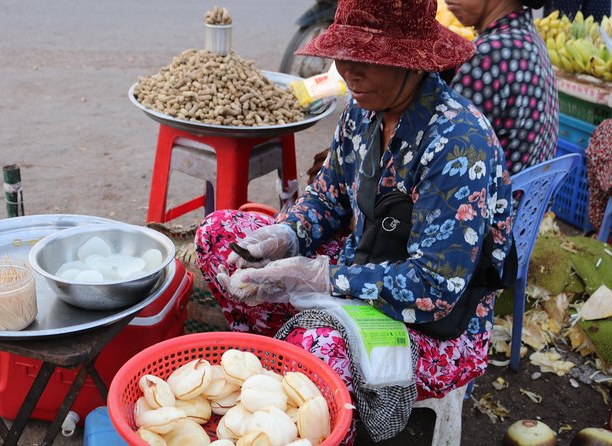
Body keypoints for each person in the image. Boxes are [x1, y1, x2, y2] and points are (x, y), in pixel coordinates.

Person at [195, 0, 515, 441]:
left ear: (412, 60)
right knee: (219, 236)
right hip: (360, 267)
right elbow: (327, 199)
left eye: (367, 59)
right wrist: (287, 235)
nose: (348, 71)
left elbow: (435, 289)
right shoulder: (363, 111)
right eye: (344, 55)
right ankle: (271, 368)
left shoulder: (458, 145)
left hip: (436, 327)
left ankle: (306, 392)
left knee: (317, 356)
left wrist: (322, 277)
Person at [446, 0, 559, 175]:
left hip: (497, 199)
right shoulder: (529, 37)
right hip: (524, 198)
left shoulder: (485, 57)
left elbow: (450, 153)